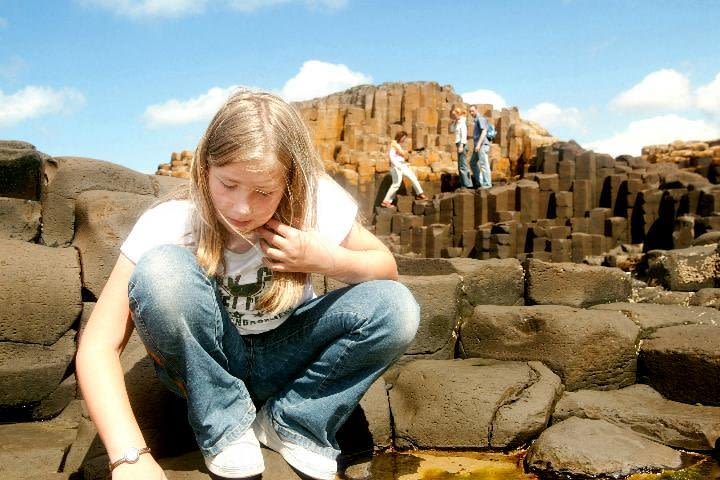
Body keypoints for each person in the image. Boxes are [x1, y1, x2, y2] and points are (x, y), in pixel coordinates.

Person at [76, 89, 420, 480]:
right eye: (228, 184)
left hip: (289, 357)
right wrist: (129, 458)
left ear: (290, 182)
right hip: (213, 365)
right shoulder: (172, 222)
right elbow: (98, 346)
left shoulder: (316, 201)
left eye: (263, 192)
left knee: (397, 307)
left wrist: (327, 260)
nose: (242, 208)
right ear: (205, 167)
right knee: (161, 271)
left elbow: (386, 270)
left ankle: (293, 421)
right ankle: (223, 423)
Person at [380, 131, 427, 208]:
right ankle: (386, 201)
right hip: (396, 166)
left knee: (413, 177)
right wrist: (398, 166)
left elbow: (400, 156)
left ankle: (420, 194)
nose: (404, 140)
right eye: (403, 138)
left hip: (402, 165)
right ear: (400, 137)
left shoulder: (398, 145)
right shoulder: (393, 144)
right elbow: (392, 157)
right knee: (396, 184)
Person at [469, 105, 492, 188]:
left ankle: (487, 184)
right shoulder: (476, 121)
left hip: (482, 145)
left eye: (472, 111)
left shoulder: (480, 119)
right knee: (472, 163)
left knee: (484, 164)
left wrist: (478, 145)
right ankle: (481, 181)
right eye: (470, 111)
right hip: (478, 146)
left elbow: (484, 132)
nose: (471, 113)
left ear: (476, 110)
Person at [449, 104, 472, 188]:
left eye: (454, 115)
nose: (453, 116)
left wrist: (461, 146)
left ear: (458, 114)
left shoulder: (462, 122)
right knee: (460, 165)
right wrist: (454, 122)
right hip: (458, 144)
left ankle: (467, 184)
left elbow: (464, 135)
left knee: (463, 165)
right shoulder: (457, 122)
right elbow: (451, 130)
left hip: (462, 144)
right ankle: (464, 184)